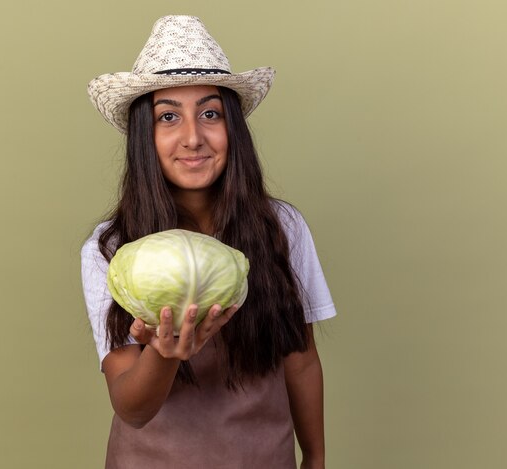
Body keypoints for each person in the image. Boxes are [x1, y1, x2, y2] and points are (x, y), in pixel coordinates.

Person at [81, 15, 337, 469]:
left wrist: (315, 458)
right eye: (168, 117)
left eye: (210, 113)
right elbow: (130, 407)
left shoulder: (282, 226)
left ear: (232, 129)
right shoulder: (110, 247)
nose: (193, 137)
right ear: (145, 136)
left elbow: (301, 359)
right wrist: (161, 353)